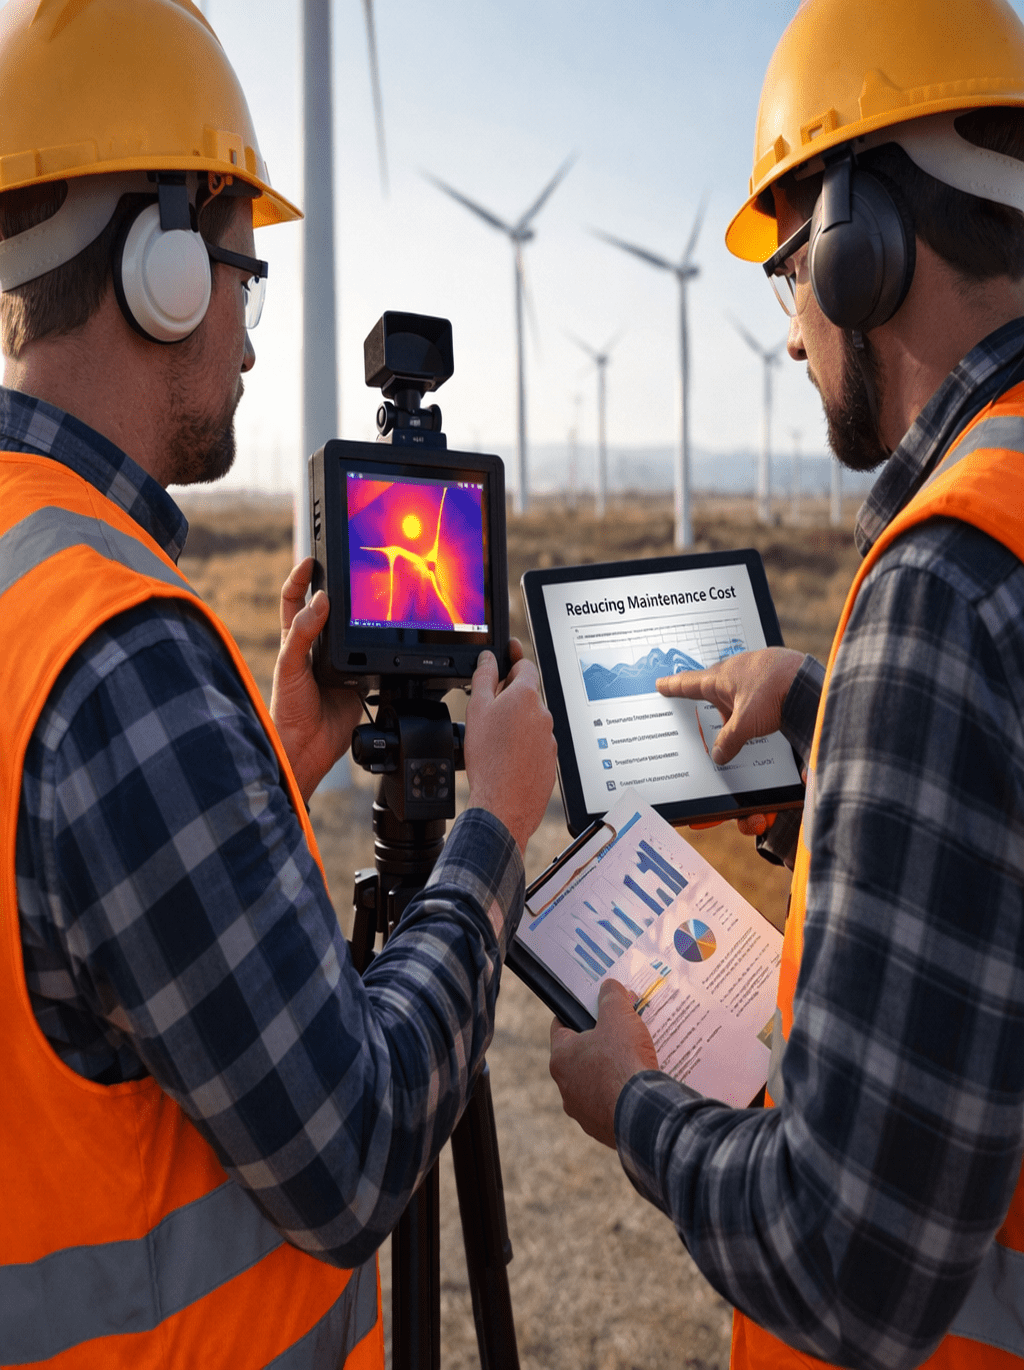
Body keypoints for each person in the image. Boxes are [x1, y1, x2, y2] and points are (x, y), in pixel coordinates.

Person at [0, 2, 556, 1366]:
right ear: (164, 267)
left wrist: (268, 759)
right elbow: (353, 1149)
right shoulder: (122, 652)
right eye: (247, 266)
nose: (252, 322)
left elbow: (87, 931)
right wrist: (489, 830)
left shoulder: (33, 578)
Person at [549, 1, 1024, 1367]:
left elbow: (849, 1257)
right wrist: (830, 720)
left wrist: (631, 1101)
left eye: (791, 265)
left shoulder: (943, 583)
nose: (791, 327)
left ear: (862, 244)